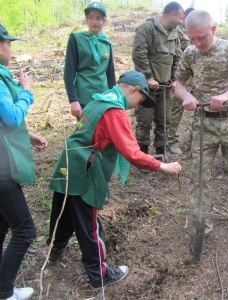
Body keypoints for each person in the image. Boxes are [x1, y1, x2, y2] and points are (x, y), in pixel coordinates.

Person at [47, 70, 182, 289]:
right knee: (89, 224)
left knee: (64, 210)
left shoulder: (98, 100)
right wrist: (162, 166)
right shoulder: (115, 112)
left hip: (68, 162)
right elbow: (132, 153)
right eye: (140, 101)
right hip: (85, 169)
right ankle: (99, 274)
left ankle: (55, 249)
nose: (137, 106)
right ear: (134, 90)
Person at [174, 10, 228, 253]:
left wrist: (227, 95)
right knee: (199, 178)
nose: (197, 43)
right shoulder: (190, 54)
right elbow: (178, 84)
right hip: (204, 124)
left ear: (213, 30)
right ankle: (202, 228)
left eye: (201, 37)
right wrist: (187, 95)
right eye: (192, 39)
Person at [0, 24, 48, 300]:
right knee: (25, 230)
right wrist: (27, 90)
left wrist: (28, 136)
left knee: (2, 225)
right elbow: (12, 117)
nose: (10, 49)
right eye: (9, 44)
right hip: (3, 169)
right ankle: (5, 293)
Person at [132, 2, 184, 158]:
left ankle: (161, 154)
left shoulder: (175, 35)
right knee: (144, 121)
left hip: (165, 88)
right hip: (147, 88)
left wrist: (174, 79)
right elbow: (139, 54)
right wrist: (148, 77)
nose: (182, 21)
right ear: (172, 14)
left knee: (164, 121)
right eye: (181, 17)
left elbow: (177, 59)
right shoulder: (147, 28)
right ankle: (143, 155)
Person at [64, 1, 116, 119]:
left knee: (103, 134)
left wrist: (114, 97)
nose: (94, 21)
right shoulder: (76, 39)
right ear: (86, 19)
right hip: (84, 98)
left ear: (104, 21)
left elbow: (110, 75)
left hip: (104, 98)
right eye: (90, 17)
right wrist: (73, 100)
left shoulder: (106, 44)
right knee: (86, 133)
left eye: (98, 18)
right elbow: (69, 73)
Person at [168, 7, 195, 155]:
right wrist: (174, 78)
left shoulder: (195, 32)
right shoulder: (176, 31)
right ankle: (171, 141)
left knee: (201, 109)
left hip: (196, 78)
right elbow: (174, 56)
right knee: (175, 111)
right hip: (180, 79)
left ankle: (194, 140)